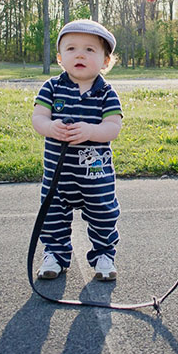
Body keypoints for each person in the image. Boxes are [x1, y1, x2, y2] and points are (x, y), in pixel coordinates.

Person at [32, 19, 122, 281]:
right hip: (58, 175)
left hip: (96, 176)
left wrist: (91, 132)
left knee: (103, 214)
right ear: (60, 58)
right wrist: (50, 128)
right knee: (52, 216)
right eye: (71, 49)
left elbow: (113, 127)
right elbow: (38, 118)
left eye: (90, 50)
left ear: (106, 61)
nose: (80, 54)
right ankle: (55, 255)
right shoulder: (51, 88)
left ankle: (104, 255)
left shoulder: (106, 93)